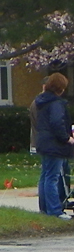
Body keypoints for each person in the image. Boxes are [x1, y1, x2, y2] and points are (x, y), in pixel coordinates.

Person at [35, 72, 74, 219]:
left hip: (44, 142)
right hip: (54, 144)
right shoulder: (57, 103)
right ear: (61, 88)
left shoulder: (42, 102)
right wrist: (66, 138)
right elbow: (57, 123)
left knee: (45, 176)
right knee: (52, 177)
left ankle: (45, 209)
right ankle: (55, 210)